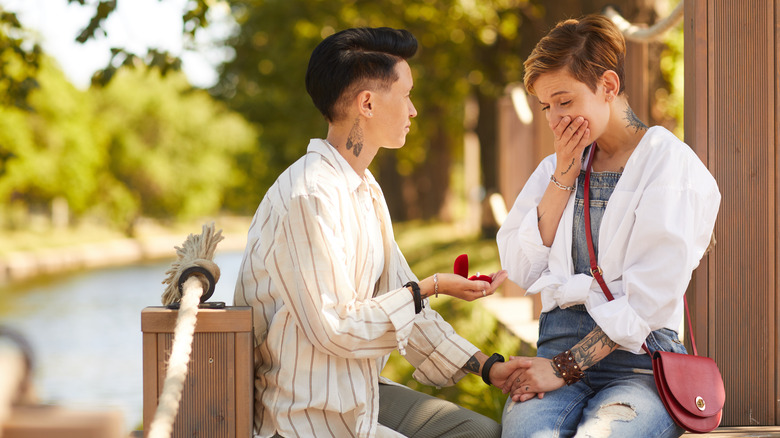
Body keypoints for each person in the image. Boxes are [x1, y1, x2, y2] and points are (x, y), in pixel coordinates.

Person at [235, 26, 518, 438]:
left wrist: (489, 367)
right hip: (307, 415)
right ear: (367, 103)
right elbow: (337, 327)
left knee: (479, 433)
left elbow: (406, 302)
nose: (413, 110)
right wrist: (430, 286)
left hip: (361, 395)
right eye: (405, 95)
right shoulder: (309, 195)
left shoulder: (364, 189)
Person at [496, 14, 720, 438]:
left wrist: (565, 368)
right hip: (555, 347)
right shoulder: (555, 167)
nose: (554, 119)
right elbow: (520, 267)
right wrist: (563, 174)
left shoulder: (669, 165)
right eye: (546, 107)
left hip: (640, 363)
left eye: (564, 101)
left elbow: (647, 303)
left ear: (609, 87)